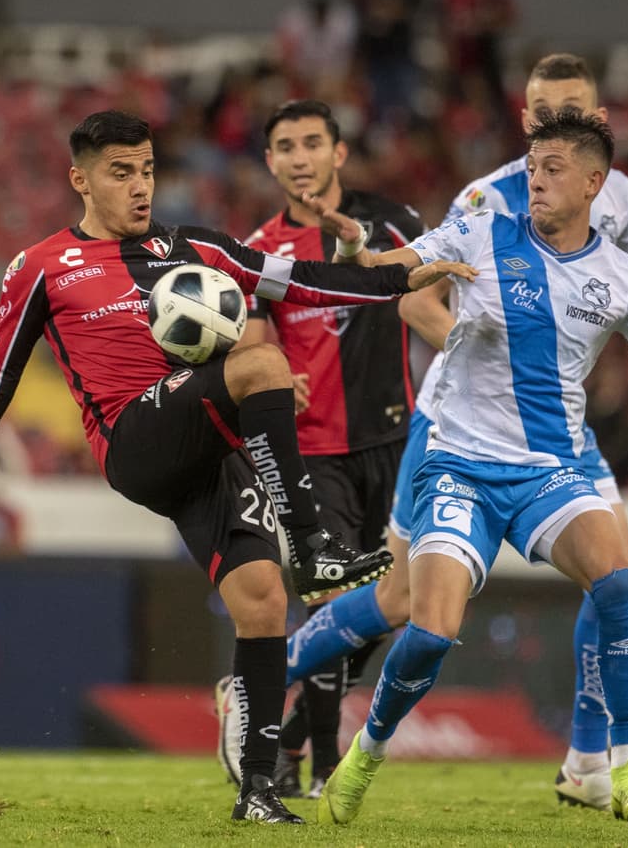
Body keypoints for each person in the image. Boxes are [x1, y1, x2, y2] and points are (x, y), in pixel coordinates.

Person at [0, 110, 472, 826]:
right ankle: (314, 544)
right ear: (79, 178)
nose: (140, 186)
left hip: (203, 444)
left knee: (263, 600)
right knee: (264, 362)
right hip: (134, 442)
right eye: (121, 172)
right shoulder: (43, 267)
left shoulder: (196, 246)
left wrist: (399, 279)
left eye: (147, 169)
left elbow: (303, 282)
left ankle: (260, 792)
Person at [270, 51, 628, 814]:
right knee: (408, 606)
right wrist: (479, 344)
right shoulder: (486, 206)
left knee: (617, 574)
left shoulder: (620, 203)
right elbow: (402, 288)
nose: (545, 127)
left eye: (563, 111)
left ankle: (596, 759)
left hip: (551, 448)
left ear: (596, 122)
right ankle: (281, 674)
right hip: (454, 431)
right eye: (536, 114)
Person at [222, 99, 427, 800]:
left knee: (395, 605)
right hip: (310, 455)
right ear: (271, 162)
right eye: (286, 146)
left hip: (396, 440)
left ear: (340, 153)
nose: (301, 156)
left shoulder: (393, 220)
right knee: (332, 595)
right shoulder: (258, 250)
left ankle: (288, 732)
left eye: (313, 142)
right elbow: (249, 338)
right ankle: (321, 768)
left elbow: (426, 294)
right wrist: (276, 371)